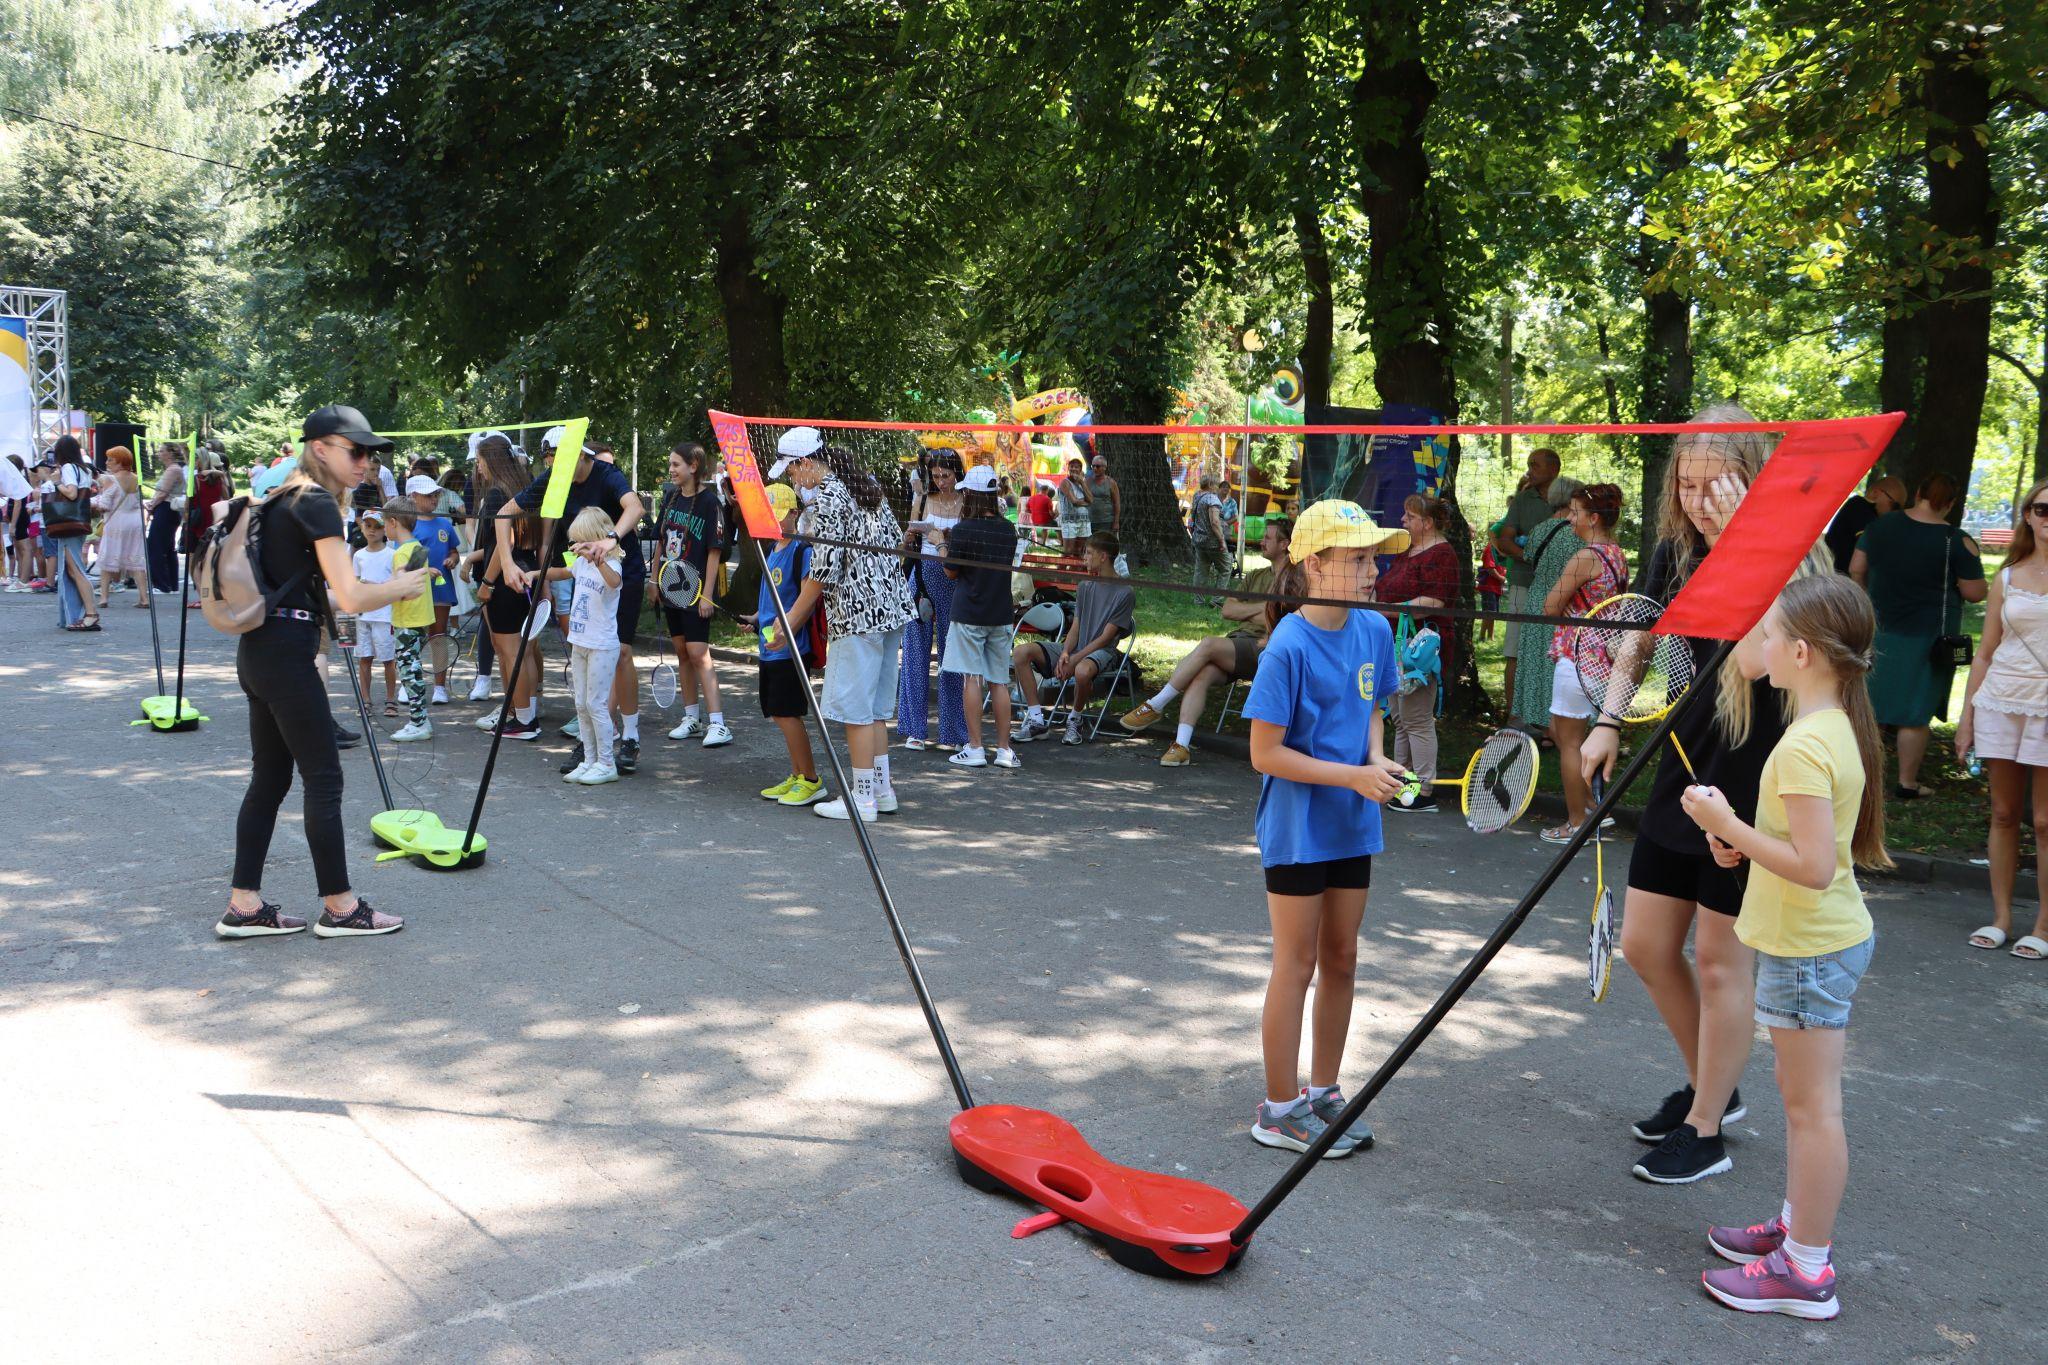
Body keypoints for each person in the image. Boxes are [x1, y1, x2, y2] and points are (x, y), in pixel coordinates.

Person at [1581, 403, 1829, 1186]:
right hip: (1679, 760)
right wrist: (1608, 719)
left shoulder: (1797, 550)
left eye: (1713, 481)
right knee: (1649, 945)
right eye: (1685, 482)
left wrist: (1739, 541)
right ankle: (1714, 1086)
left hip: (1752, 772)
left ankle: (1707, 1125)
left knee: (1722, 960)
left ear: (1751, 470)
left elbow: (1793, 643)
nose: (1696, 497)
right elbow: (1640, 637)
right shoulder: (1670, 551)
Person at [1679, 574, 1889, 1320]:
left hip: (1809, 950)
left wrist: (1725, 824)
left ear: (1799, 652)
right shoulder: (1831, 726)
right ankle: (1798, 1227)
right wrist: (1739, 840)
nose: (1757, 643)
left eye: (1767, 633)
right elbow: (1805, 846)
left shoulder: (1804, 745)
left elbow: (1814, 866)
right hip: (1816, 941)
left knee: (1811, 1111)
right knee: (1809, 1106)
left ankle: (1805, 1270)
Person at [217, 405, 428, 941]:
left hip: (259, 651)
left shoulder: (279, 499)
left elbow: (328, 592)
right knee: (324, 779)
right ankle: (340, 907)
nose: (365, 463)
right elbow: (354, 595)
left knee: (269, 779)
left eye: (370, 454)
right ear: (320, 448)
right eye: (355, 450)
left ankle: (245, 905)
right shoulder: (313, 502)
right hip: (285, 654)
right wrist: (400, 588)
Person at [1243, 500, 1409, 1156]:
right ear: (1316, 564)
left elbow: (1371, 707)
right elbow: (1264, 753)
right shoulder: (1287, 646)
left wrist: (1374, 758)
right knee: (1298, 959)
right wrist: (1351, 778)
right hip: (1297, 824)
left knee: (1342, 956)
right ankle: (1278, 1107)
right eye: (1359, 558)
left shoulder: (1374, 629)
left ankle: (1324, 1092)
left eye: (1375, 556)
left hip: (1352, 821)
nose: (1375, 569)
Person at [770, 428, 916, 822]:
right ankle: (882, 792)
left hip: (858, 616)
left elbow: (822, 572)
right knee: (874, 710)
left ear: (803, 463)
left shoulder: (831, 498)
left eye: (790, 471)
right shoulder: (864, 485)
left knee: (856, 712)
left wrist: (788, 622)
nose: (790, 479)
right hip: (891, 610)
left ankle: (862, 799)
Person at [499, 426, 646, 767]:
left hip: (622, 570)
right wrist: (508, 564)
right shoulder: (555, 477)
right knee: (586, 649)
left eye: (562, 460)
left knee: (620, 652)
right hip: (581, 568)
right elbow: (505, 513)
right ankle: (594, 739)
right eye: (551, 461)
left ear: (581, 455)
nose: (556, 469)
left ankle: (631, 737)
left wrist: (610, 540)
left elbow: (635, 507)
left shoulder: (607, 475)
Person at [1955, 480, 2048, 961]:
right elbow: (1985, 653)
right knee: (2004, 814)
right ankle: (2002, 919)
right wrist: (1967, 717)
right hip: (2001, 700)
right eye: (2043, 508)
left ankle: (2044, 927)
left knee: (2046, 820)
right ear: (2028, 516)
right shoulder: (2007, 578)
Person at [1850, 473, 1987, 798]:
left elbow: (1857, 567)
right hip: (1928, 637)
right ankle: (1907, 783)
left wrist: (1866, 597)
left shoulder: (1879, 527)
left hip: (1878, 630)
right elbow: (1975, 592)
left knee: (1872, 709)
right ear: (1951, 503)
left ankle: (1860, 779)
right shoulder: (1956, 539)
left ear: (1918, 492)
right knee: (1915, 713)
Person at [1120, 517, 1293, 766]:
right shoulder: (1255, 576)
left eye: (1268, 537)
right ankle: (1181, 746)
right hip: (1238, 642)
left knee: (1209, 644)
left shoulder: (1295, 577)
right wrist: (1265, 607)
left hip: (1267, 646)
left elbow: (1278, 619)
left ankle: (1155, 704)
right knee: (1201, 674)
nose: (1262, 541)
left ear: (1285, 543)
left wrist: (1259, 611)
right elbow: (1228, 610)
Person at [1540, 484, 1629, 842]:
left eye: (1575, 513)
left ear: (1593, 518)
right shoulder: (1617, 553)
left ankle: (1577, 822)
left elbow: (1550, 606)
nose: (1569, 519)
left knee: (1571, 741)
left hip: (1579, 656)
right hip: (1603, 656)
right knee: (1559, 733)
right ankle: (1591, 808)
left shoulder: (1586, 556)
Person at [1010, 535, 1135, 746]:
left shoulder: (1125, 592)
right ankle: (1036, 719)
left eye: (1088, 553)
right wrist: (1066, 652)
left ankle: (1075, 720)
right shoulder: (1085, 586)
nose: (1084, 557)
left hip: (1103, 651)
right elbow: (1076, 627)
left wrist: (1076, 659)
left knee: (1082, 670)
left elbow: (1105, 638)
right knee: (1022, 652)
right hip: (1077, 647)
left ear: (1103, 557)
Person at [1376, 496, 1460, 810]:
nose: (1403, 520)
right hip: (1398, 645)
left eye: (1409, 516)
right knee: (1400, 718)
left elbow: (1433, 604)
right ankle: (1400, 783)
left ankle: (1424, 791)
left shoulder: (1442, 554)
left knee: (1417, 720)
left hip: (1420, 649)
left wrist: (1385, 610)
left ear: (1427, 523)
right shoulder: (1410, 550)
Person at [749, 482, 828, 807]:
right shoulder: (772, 550)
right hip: (769, 645)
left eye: (779, 514)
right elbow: (772, 600)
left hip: (791, 647)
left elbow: (806, 600)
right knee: (778, 713)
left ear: (795, 513)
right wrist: (755, 619)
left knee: (788, 714)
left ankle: (811, 780)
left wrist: (784, 630)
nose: (774, 520)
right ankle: (797, 775)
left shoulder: (802, 550)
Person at [942, 464, 1023, 771]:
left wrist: (942, 543)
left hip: (970, 613)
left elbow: (951, 572)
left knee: (971, 678)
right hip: (1000, 613)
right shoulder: (1007, 529)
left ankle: (976, 748)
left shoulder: (963, 530)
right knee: (999, 681)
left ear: (972, 495)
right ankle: (1004, 750)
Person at [653, 442, 731, 749]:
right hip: (671, 588)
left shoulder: (710, 502)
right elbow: (660, 540)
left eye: (676, 464)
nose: (671, 470)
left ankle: (719, 724)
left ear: (693, 466)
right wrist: (652, 580)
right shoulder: (670, 498)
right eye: (671, 464)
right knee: (683, 653)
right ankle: (691, 718)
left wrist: (707, 596)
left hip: (696, 591)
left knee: (700, 654)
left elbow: (714, 551)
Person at [469, 435, 543, 736]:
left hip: (505, 580)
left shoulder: (500, 495)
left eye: (480, 460)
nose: (478, 467)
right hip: (522, 575)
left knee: (510, 652)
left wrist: (487, 582)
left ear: (493, 461)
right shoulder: (521, 491)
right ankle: (526, 714)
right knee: (520, 652)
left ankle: (525, 721)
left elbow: (504, 545)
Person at [899, 447, 967, 751]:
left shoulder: (967, 502)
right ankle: (915, 729)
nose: (941, 481)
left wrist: (947, 539)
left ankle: (953, 732)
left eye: (946, 475)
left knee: (952, 656)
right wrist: (908, 538)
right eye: (936, 475)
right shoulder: (922, 500)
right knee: (915, 653)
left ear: (958, 473)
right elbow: (910, 545)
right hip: (923, 579)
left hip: (953, 579)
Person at [552, 506, 626, 785]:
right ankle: (589, 760)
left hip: (602, 645)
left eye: (581, 540)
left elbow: (615, 582)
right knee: (581, 704)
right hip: (580, 642)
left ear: (595, 539)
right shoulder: (580, 564)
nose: (575, 546)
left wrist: (599, 561)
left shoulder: (611, 565)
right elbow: (562, 571)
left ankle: (607, 763)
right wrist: (536, 574)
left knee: (596, 704)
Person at [1508, 490, 1581, 733]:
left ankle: (1537, 719)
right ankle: (1558, 726)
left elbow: (1528, 556)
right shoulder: (1577, 534)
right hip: (1566, 601)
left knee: (1536, 661)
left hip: (1537, 599)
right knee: (1559, 664)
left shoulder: (1539, 529)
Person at [1495, 446, 1563, 703]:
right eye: (1528, 464)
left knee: (1554, 652)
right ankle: (1513, 715)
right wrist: (1531, 556)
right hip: (1523, 584)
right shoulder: (1523, 500)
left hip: (1560, 588)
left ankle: (1548, 716)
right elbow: (1504, 540)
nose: (1529, 470)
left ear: (1554, 469)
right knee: (1514, 651)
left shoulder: (1570, 499)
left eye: (1535, 465)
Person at [381, 502, 437, 742]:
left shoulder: (401, 553)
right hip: (419, 620)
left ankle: (418, 723)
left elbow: (401, 589)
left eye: (384, 523)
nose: (385, 529)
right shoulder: (418, 548)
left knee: (408, 672)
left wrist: (384, 587)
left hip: (407, 621)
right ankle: (420, 718)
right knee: (411, 670)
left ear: (393, 522)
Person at [405, 474, 460, 705]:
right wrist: (425, 570)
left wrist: (453, 559)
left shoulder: (445, 524)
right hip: (417, 591)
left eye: (436, 494)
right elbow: (407, 561)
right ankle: (409, 684)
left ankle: (439, 687)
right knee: (413, 639)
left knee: (438, 636)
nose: (434, 499)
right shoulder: (409, 526)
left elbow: (454, 551)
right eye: (429, 495)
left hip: (441, 591)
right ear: (413, 497)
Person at [42, 437, 98, 630]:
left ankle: (90, 613)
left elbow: (72, 494)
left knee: (75, 570)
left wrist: (57, 483)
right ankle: (79, 614)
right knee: (73, 569)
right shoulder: (85, 469)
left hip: (67, 524)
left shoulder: (68, 469)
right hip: (78, 522)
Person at [350, 512, 400, 720]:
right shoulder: (358, 555)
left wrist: (374, 587)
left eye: (377, 526)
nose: (372, 530)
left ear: (385, 529)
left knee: (388, 659)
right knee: (364, 658)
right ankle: (365, 700)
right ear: (362, 528)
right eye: (367, 525)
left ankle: (391, 699)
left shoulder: (391, 555)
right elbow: (354, 582)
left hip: (384, 615)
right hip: (363, 615)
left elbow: (396, 584)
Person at [91, 447, 150, 609]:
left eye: (111, 459)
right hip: (135, 521)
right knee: (135, 558)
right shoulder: (136, 478)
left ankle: (103, 597)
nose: (107, 462)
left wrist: (93, 503)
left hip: (116, 521)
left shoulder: (110, 479)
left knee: (107, 557)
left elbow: (105, 505)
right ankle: (144, 598)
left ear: (120, 462)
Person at [1823, 473, 1905, 575]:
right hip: (1834, 577)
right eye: (1894, 506)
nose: (1895, 512)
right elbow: (1872, 547)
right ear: (1875, 493)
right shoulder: (1860, 505)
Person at [146, 441, 185, 593]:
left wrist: (152, 505)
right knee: (167, 547)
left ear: (170, 453)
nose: (159, 453)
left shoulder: (173, 470)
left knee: (155, 546)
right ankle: (171, 584)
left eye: (162, 451)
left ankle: (161, 584)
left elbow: (163, 492)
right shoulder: (171, 469)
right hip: (168, 509)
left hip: (166, 509)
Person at [1189, 473, 1231, 598]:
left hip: (1199, 539)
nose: (1218, 487)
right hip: (1212, 542)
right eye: (1217, 484)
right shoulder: (1212, 499)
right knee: (1226, 568)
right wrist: (1222, 540)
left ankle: (1198, 600)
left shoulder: (1197, 496)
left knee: (1201, 571)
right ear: (1211, 485)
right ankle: (1217, 599)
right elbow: (1214, 522)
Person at [1056, 456, 1092, 557]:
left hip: (1084, 521)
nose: (1074, 469)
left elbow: (1091, 499)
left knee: (1080, 551)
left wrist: (1082, 482)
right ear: (1068, 468)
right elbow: (1074, 501)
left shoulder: (1082, 483)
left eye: (1077, 467)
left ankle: (1075, 572)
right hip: (1069, 522)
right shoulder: (1065, 482)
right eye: (1071, 466)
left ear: (1081, 469)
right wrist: (1086, 502)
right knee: (1068, 551)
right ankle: (1060, 572)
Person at [1087, 454, 1121, 544]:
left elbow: (1116, 503)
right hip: (1090, 521)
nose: (1095, 468)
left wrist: (1116, 522)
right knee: (1092, 545)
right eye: (1093, 466)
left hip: (1106, 521)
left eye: (1097, 466)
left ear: (1104, 467)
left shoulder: (1111, 482)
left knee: (1104, 545)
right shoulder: (1087, 481)